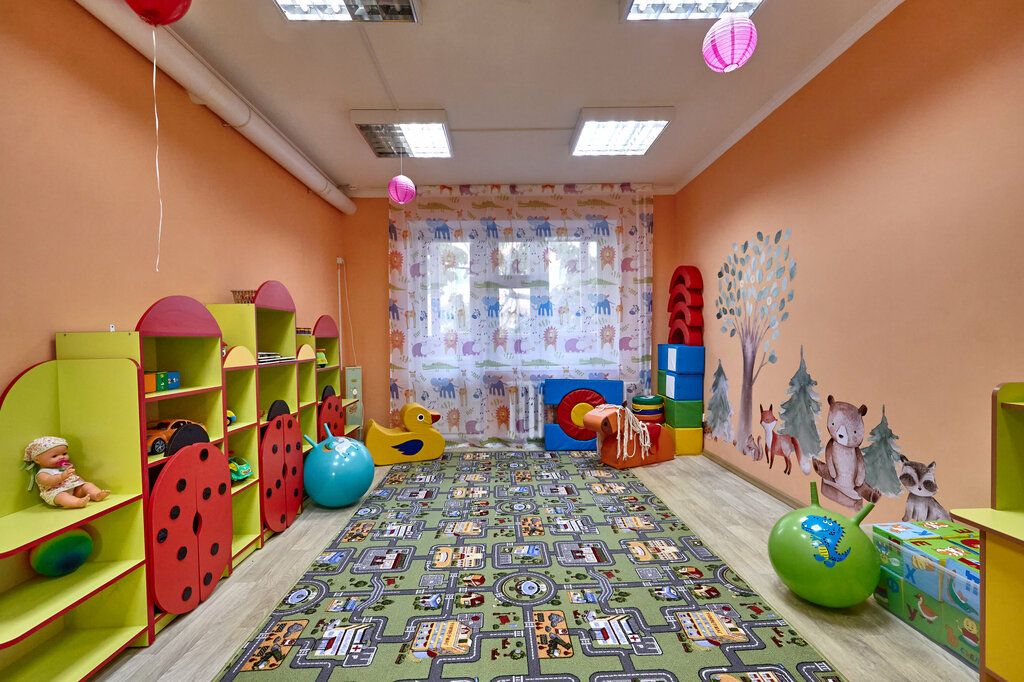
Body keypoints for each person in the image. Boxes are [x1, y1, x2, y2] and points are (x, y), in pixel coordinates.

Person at [22, 436, 110, 508]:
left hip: (74, 490)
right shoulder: (42, 473)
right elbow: (48, 481)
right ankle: (77, 503)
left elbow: (74, 477)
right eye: (54, 456)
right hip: (55, 493)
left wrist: (77, 478)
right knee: (62, 496)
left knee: (88, 485)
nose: (62, 457)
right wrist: (61, 477)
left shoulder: (64, 467)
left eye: (64, 454)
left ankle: (96, 495)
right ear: (37, 460)